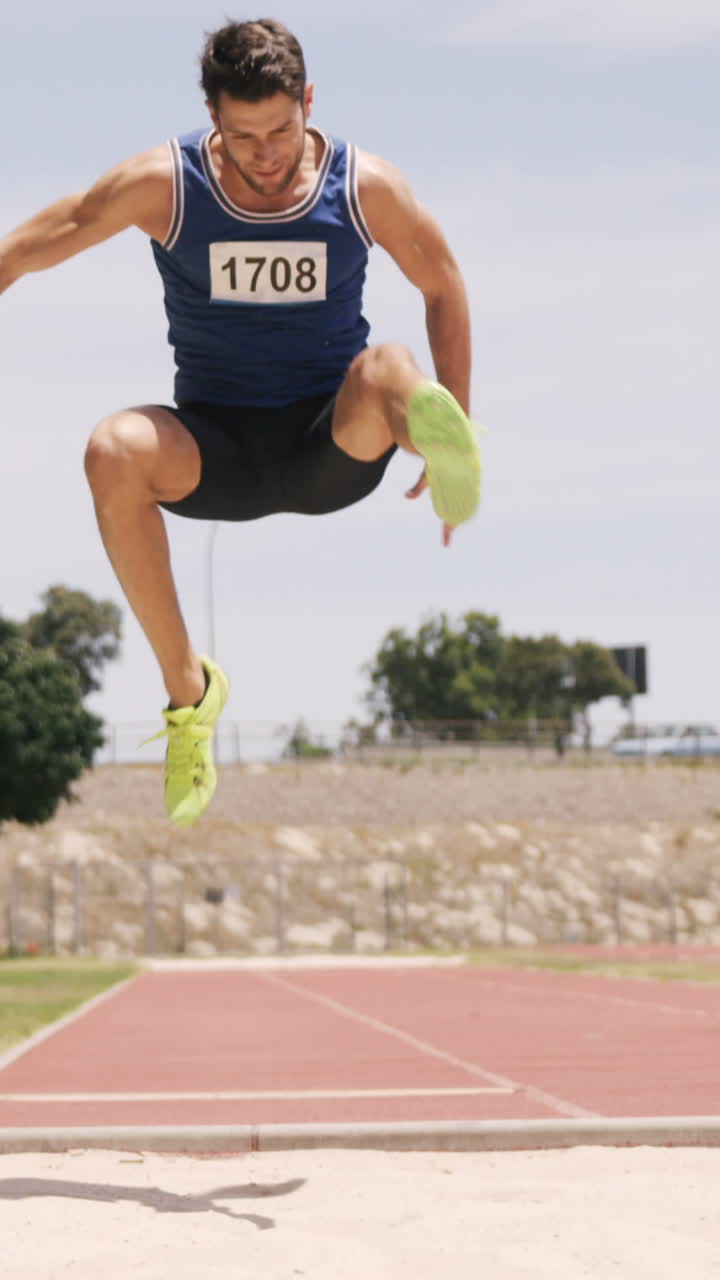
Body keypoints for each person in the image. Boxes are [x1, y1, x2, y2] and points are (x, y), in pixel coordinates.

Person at [0, 18, 481, 827]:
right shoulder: (165, 184)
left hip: (333, 441)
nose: (265, 153)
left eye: (282, 130)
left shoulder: (365, 187)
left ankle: (437, 440)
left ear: (310, 102)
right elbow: (23, 251)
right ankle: (188, 694)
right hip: (212, 450)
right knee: (111, 449)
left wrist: (458, 411)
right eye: (242, 134)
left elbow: (443, 282)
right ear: (212, 119)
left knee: (392, 365)